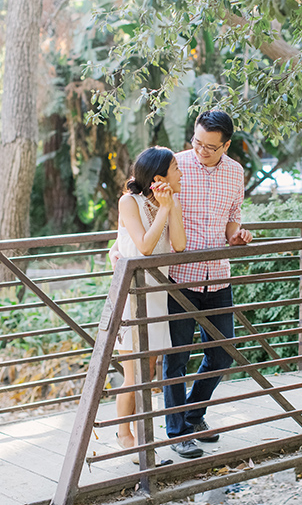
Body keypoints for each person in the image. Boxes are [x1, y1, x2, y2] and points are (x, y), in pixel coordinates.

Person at [162, 110, 253, 459]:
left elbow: (232, 221)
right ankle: (177, 432)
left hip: (217, 274)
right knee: (177, 359)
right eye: (197, 142)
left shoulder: (235, 172)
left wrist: (238, 235)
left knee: (221, 353)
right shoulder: (175, 166)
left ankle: (194, 415)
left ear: (226, 145)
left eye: (210, 147)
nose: (201, 150)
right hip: (180, 278)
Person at [113, 146, 185, 460]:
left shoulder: (170, 202)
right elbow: (144, 246)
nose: (181, 173)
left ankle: (141, 435)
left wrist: (170, 207)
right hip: (132, 295)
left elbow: (179, 246)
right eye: (176, 169)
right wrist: (165, 212)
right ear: (159, 177)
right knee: (136, 374)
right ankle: (128, 435)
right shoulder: (129, 202)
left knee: (150, 369)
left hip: (157, 294)